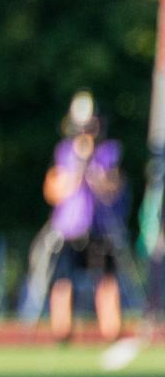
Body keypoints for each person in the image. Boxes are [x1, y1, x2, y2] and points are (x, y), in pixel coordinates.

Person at [41, 91, 128, 342]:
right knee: (62, 282)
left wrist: (96, 171)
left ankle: (111, 333)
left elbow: (114, 188)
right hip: (69, 229)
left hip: (100, 228)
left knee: (107, 281)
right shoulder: (63, 152)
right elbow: (53, 191)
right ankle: (62, 334)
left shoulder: (109, 152)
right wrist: (77, 167)